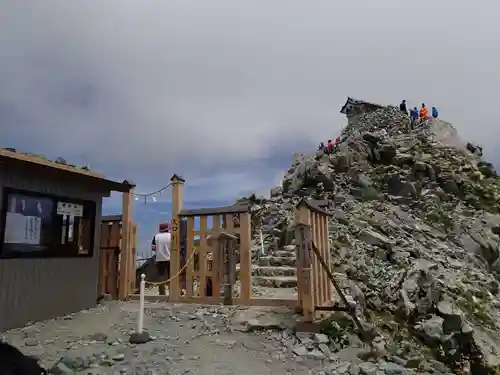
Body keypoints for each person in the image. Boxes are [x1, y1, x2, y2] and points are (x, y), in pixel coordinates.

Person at [151, 222, 172, 296]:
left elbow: (153, 248)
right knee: (171, 275)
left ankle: (162, 293)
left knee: (161, 276)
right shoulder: (171, 236)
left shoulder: (156, 236)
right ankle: (172, 292)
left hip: (159, 258)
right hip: (170, 258)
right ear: (168, 228)